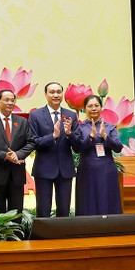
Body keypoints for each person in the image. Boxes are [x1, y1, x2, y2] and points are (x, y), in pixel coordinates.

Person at [0, 89, 35, 214]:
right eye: (6, 100)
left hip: (16, 174)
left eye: (12, 100)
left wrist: (18, 154)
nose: (10, 103)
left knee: (16, 212)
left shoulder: (22, 122)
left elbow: (30, 142)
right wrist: (5, 156)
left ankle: (15, 235)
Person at [28, 82, 79, 217]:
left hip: (65, 169)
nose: (55, 95)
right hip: (44, 169)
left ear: (62, 94)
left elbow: (78, 146)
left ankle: (62, 237)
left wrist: (70, 134)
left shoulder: (71, 115)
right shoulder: (35, 115)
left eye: (58, 92)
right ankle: (43, 237)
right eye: (52, 92)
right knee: (43, 210)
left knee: (64, 210)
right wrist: (52, 136)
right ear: (46, 95)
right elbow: (33, 142)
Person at [73, 94, 123, 215]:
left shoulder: (110, 127)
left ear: (101, 107)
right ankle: (87, 226)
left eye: (96, 105)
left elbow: (118, 148)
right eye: (90, 106)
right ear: (85, 109)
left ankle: (109, 225)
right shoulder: (80, 127)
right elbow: (77, 148)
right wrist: (90, 137)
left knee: (107, 197)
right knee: (87, 198)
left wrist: (105, 136)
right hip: (87, 168)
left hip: (106, 169)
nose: (93, 108)